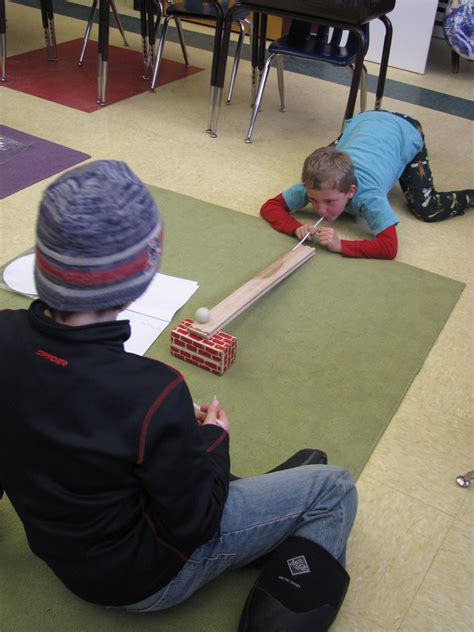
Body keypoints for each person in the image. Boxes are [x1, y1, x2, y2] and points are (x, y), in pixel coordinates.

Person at [0, 161, 357, 630]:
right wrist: (214, 439)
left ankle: (264, 524)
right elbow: (195, 524)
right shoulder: (155, 390)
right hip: (146, 580)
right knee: (332, 488)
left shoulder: (4, 335)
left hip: (64, 556)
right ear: (138, 277)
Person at [260, 110, 473, 260]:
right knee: (325, 160)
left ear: (351, 191)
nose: (319, 209)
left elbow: (389, 247)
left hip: (406, 130)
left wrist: (340, 245)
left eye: (330, 201)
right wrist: (295, 227)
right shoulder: (317, 186)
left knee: (426, 208)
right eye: (313, 199)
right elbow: (269, 207)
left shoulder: (369, 197)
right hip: (366, 120)